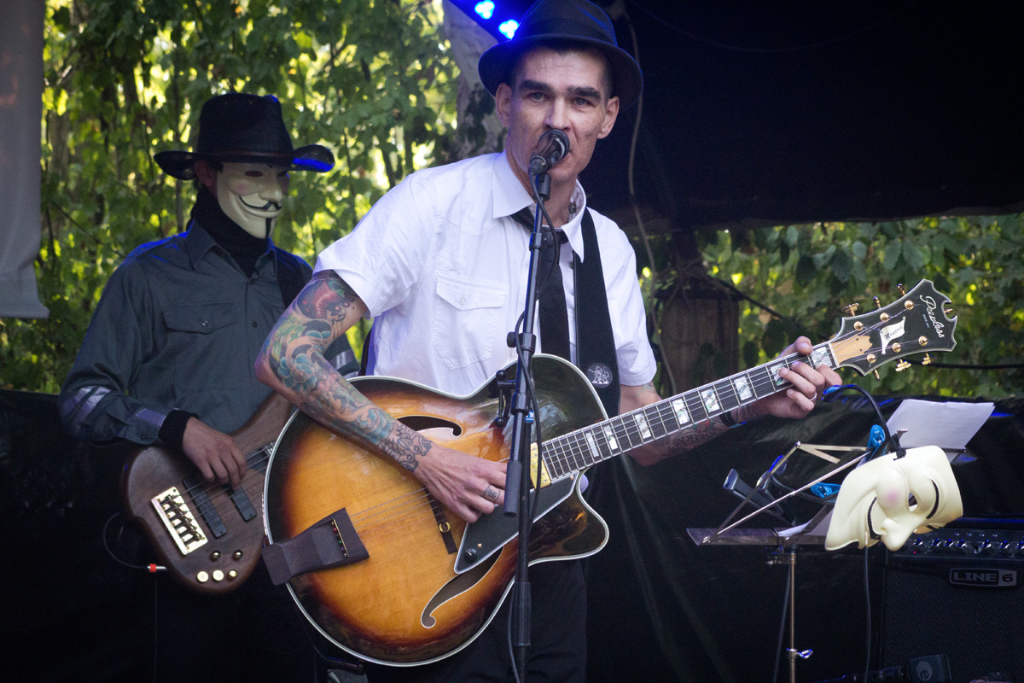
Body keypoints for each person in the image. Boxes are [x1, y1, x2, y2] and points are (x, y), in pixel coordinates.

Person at [256, 0, 841, 680]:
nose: (558, 119)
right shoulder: (430, 206)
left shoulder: (610, 251)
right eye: (539, 95)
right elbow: (285, 353)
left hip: (552, 570)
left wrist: (751, 402)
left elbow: (641, 428)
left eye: (581, 100)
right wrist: (427, 459)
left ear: (607, 117)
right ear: (506, 102)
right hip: (416, 564)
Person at [59, 92, 355, 683]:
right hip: (183, 542)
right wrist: (177, 428)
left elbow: (351, 395)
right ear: (204, 172)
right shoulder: (147, 276)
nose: (273, 192)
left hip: (289, 551)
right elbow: (81, 402)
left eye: (281, 175)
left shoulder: (305, 284)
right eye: (254, 174)